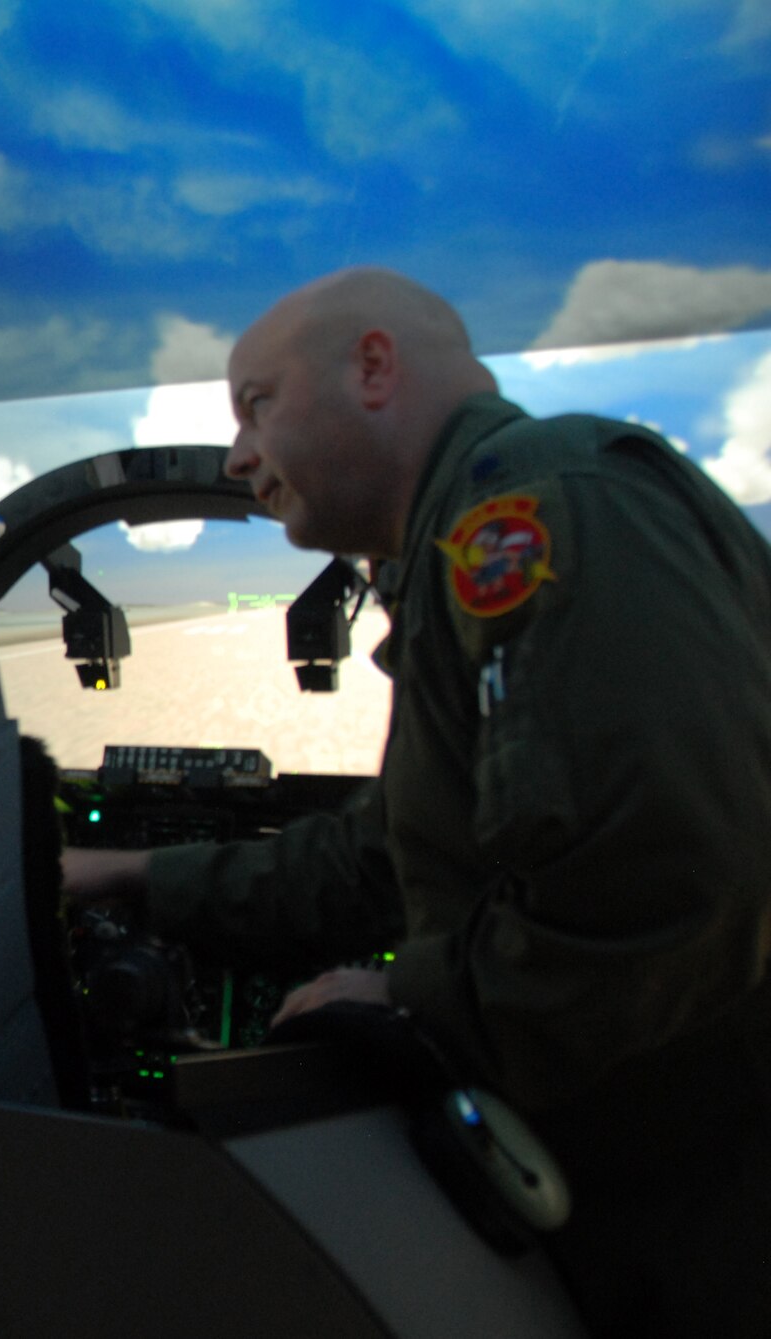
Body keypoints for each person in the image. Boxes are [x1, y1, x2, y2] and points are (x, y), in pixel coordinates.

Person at [64, 267, 771, 1336]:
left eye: (255, 403)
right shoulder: (461, 544)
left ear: (373, 367)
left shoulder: (535, 509)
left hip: (704, 1218)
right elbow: (387, 857)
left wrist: (408, 1003)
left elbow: (659, 880)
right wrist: (125, 873)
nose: (237, 456)